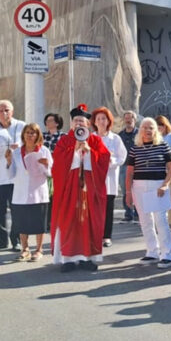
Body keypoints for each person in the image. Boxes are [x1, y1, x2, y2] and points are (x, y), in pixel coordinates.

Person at [50, 105, 111, 272]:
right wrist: (74, 153)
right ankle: (67, 259)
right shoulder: (64, 140)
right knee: (69, 222)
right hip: (69, 191)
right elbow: (58, 164)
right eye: (76, 121)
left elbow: (105, 159)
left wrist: (90, 153)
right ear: (71, 124)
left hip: (89, 191)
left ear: (88, 124)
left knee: (90, 223)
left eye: (82, 121)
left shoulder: (95, 140)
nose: (79, 124)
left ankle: (87, 258)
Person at [125, 117, 171, 269]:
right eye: (145, 127)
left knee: (161, 220)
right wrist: (128, 192)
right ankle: (152, 252)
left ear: (156, 131)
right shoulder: (135, 148)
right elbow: (129, 173)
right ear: (140, 130)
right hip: (139, 187)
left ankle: (167, 254)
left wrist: (165, 185)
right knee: (145, 220)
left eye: (151, 128)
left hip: (157, 186)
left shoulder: (163, 146)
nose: (147, 130)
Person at [0, 100, 26, 252]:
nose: (4, 113)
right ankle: (1, 239)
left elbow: (30, 145)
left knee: (16, 209)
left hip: (16, 175)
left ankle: (16, 240)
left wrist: (19, 147)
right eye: (1, 111)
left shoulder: (21, 126)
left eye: (7, 110)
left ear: (12, 111)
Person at [10, 123, 52, 262]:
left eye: (33, 133)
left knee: (39, 222)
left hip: (38, 191)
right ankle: (25, 249)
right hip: (21, 192)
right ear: (23, 135)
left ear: (38, 135)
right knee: (22, 223)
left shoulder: (44, 151)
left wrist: (46, 165)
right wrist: (8, 161)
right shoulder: (16, 152)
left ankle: (39, 249)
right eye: (27, 132)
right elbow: (11, 174)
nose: (30, 135)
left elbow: (51, 172)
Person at [91, 107, 128, 248]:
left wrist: (111, 162)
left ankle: (106, 236)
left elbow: (122, 157)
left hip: (109, 178)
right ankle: (94, 235)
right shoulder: (90, 138)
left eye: (103, 119)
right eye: (98, 119)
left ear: (108, 121)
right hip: (93, 179)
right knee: (93, 210)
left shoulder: (115, 138)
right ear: (94, 121)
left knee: (107, 209)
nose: (101, 121)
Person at [154, 114, 171, 224]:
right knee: (157, 195)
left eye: (161, 125)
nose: (159, 127)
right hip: (157, 169)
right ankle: (159, 220)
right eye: (157, 125)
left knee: (169, 194)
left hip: (168, 169)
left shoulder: (170, 136)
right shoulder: (155, 137)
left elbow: (163, 150)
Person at [118, 112, 140, 222]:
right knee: (125, 190)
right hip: (123, 166)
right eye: (126, 118)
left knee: (136, 190)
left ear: (134, 120)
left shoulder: (140, 134)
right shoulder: (120, 135)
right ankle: (128, 214)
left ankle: (138, 213)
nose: (128, 120)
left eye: (130, 118)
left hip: (137, 166)